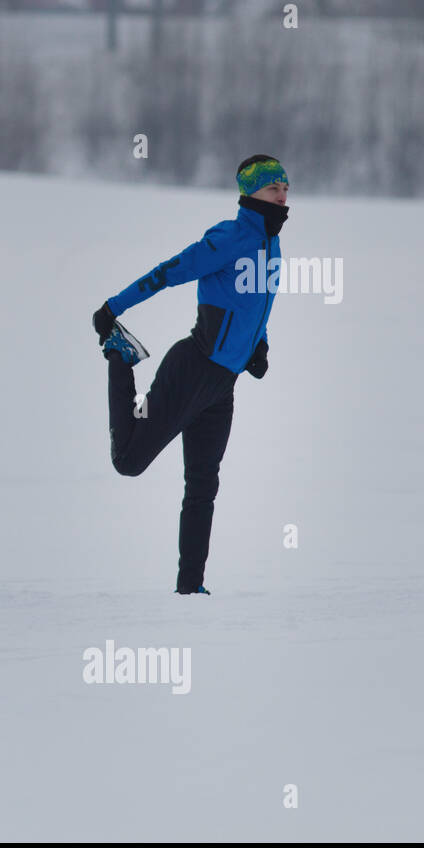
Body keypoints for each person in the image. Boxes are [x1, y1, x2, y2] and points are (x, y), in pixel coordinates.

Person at [92, 155, 290, 595]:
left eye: (285, 189)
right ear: (250, 193)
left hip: (223, 386)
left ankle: (190, 590)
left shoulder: (272, 247)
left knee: (202, 487)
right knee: (128, 461)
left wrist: (259, 346)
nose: (282, 196)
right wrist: (113, 309)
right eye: (273, 188)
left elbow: (257, 307)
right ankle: (120, 357)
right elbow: (169, 272)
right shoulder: (227, 238)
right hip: (192, 368)